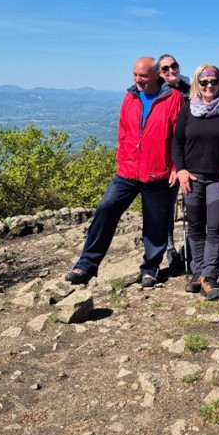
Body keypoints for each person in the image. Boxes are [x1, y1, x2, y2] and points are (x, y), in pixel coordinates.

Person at [66, 57, 184, 287]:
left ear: (156, 74)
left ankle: (150, 269)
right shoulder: (130, 96)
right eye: (135, 75)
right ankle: (86, 265)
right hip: (128, 170)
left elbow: (180, 136)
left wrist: (176, 167)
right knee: (106, 209)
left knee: (156, 224)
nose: (138, 80)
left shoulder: (174, 99)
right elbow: (123, 129)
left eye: (143, 76)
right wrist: (122, 157)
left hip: (158, 172)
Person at [172, 64, 219, 300]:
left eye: (213, 82)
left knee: (216, 226)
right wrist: (181, 170)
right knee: (195, 225)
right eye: (204, 82)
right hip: (192, 177)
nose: (209, 86)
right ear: (197, 83)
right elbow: (177, 143)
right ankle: (198, 271)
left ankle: (210, 274)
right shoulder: (188, 109)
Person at [159, 54, 189, 273]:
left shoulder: (191, 88)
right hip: (167, 158)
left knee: (194, 203)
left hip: (194, 155)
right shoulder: (156, 93)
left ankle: (192, 248)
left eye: (174, 66)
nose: (171, 71)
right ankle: (169, 247)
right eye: (165, 68)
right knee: (167, 205)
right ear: (159, 73)